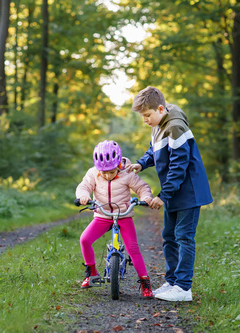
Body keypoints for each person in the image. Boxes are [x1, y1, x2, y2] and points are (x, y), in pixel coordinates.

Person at [126, 86, 213, 302]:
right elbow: (154, 149)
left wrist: (163, 195)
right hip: (174, 192)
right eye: (143, 116)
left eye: (147, 115)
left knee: (183, 237)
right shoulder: (159, 123)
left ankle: (183, 288)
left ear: (161, 108)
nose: (145, 120)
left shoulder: (175, 127)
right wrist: (141, 163)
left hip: (188, 192)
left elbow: (178, 166)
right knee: (169, 236)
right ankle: (172, 281)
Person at [76, 140, 154, 298]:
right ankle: (91, 273)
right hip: (103, 215)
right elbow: (84, 186)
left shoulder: (128, 173)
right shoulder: (93, 173)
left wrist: (145, 198)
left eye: (111, 172)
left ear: (118, 164)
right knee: (84, 239)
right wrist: (83, 196)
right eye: (103, 172)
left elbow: (142, 187)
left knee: (133, 248)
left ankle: (145, 283)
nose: (107, 175)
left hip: (123, 215)